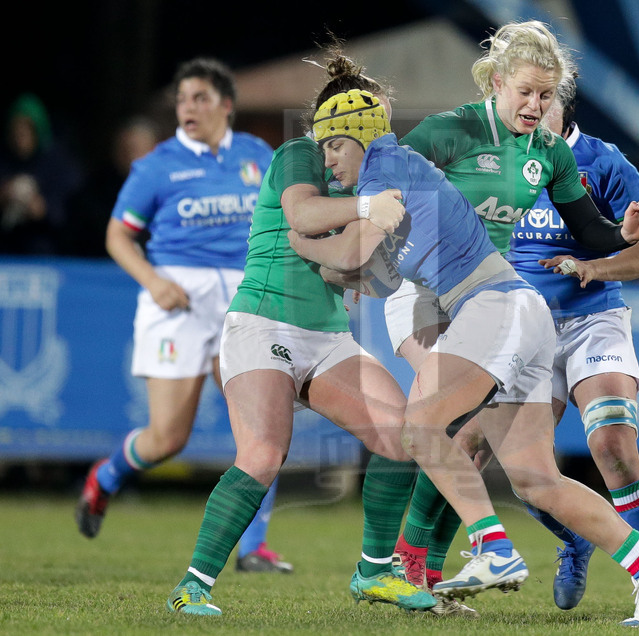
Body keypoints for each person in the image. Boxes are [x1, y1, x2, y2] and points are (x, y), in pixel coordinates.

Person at [292, 85, 639, 627]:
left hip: (494, 306)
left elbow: (346, 249)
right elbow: (370, 269)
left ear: (360, 138)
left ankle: (485, 548)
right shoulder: (414, 163)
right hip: (522, 310)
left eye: (334, 147)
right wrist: (344, 265)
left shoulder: (386, 168)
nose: (327, 161)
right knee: (533, 478)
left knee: (423, 427)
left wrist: (298, 241)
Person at [164, 56, 436, 616]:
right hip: (263, 323)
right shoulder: (300, 154)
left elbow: (351, 265)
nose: (382, 138)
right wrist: (369, 211)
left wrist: (374, 262)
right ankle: (192, 586)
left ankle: (374, 573)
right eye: (375, 125)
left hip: (326, 338)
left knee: (403, 435)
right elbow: (303, 215)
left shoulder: (362, 181)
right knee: (264, 454)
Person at [74, 57, 292, 574]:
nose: (188, 108)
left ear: (226, 105)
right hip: (178, 299)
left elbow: (287, 216)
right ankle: (106, 477)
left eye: (200, 98)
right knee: (168, 438)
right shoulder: (157, 165)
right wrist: (154, 282)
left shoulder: (256, 155)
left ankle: (254, 548)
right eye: (181, 100)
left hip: (242, 296)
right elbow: (118, 236)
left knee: (263, 426)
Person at [505, 87, 639, 619]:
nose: (531, 109)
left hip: (594, 322)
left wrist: (594, 267)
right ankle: (575, 537)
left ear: (565, 106)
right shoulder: (500, 161)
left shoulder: (606, 163)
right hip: (523, 327)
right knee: (522, 468)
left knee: (613, 447)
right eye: (523, 95)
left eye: (544, 98)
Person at [63, 116, 161, 257]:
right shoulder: (97, 190)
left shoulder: (170, 186)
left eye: (133, 149)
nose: (127, 156)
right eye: (122, 149)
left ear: (153, 150)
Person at [0, 93, 83, 254]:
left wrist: (44, 209)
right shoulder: (3, 160)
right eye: (15, 130)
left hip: (45, 251)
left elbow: (74, 211)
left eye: (26, 129)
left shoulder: (58, 165)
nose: (20, 136)